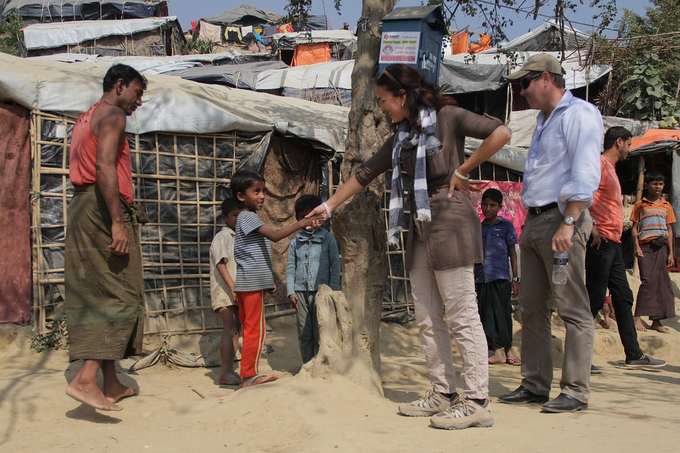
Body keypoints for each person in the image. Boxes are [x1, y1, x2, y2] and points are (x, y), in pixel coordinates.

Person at [307, 64, 512, 430]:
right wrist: (328, 206)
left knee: (462, 314)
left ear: (403, 96)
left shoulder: (448, 116)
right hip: (418, 225)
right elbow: (363, 173)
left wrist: (464, 169)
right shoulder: (401, 138)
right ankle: (442, 392)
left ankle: (478, 399)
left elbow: (501, 132)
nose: (384, 107)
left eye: (386, 100)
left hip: (450, 218)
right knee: (427, 316)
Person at [498, 54, 601, 413]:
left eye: (524, 84)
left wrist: (569, 222)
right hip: (534, 221)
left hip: (562, 220)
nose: (521, 92)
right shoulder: (542, 121)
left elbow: (585, 172)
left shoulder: (579, 114)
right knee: (531, 309)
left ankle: (575, 390)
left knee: (572, 309)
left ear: (545, 78)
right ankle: (535, 383)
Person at [64, 64, 146, 411]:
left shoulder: (87, 117)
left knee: (102, 288)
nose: (138, 102)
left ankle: (111, 384)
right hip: (102, 208)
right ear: (119, 85)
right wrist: (116, 221)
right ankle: (86, 378)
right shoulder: (113, 114)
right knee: (123, 293)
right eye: (137, 93)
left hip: (83, 207)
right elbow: (105, 166)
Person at [231, 170, 321, 388]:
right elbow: (275, 235)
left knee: (251, 327)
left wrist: (268, 281)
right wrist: (301, 223)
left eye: (263, 191)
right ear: (241, 196)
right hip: (250, 283)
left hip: (251, 282)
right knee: (256, 328)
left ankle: (248, 372)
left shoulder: (247, 217)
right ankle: (249, 375)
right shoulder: (247, 217)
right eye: (256, 192)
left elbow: (255, 253)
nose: (262, 196)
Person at [586, 127, 666, 372]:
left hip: (614, 242)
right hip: (601, 241)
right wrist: (592, 227)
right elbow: (583, 195)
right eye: (628, 145)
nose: (629, 150)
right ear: (618, 142)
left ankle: (634, 354)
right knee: (594, 299)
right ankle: (580, 358)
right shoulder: (598, 165)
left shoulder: (611, 169)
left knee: (623, 296)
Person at [286, 195, 341, 364]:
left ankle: (321, 365)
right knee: (304, 330)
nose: (309, 220)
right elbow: (290, 267)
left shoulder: (328, 239)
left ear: (321, 217)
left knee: (321, 329)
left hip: (322, 293)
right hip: (300, 293)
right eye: (304, 217)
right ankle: (307, 365)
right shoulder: (295, 242)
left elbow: (335, 265)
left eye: (313, 215)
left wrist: (332, 290)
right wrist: (290, 291)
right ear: (298, 219)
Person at [475, 189, 520, 366]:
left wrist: (516, 277)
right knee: (486, 315)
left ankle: (508, 349)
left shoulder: (506, 226)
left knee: (503, 314)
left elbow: (512, 252)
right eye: (485, 205)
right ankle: (495, 350)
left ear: (500, 207)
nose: (487, 208)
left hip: (501, 277)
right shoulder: (479, 227)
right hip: (482, 278)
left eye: (492, 205)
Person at [632, 172, 677, 333]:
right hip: (646, 247)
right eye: (654, 183)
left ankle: (656, 322)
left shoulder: (666, 205)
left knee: (661, 283)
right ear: (647, 185)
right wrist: (636, 247)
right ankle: (637, 317)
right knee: (647, 281)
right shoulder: (640, 205)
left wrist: (671, 253)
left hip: (662, 247)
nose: (658, 187)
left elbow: (670, 230)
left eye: (660, 184)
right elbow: (634, 228)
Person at [209, 198, 243, 386]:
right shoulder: (222, 237)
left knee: (235, 329)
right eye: (234, 215)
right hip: (225, 292)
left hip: (234, 292)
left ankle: (230, 369)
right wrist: (233, 287)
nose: (238, 219)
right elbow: (221, 264)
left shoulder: (237, 238)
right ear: (225, 217)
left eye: (241, 215)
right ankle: (225, 372)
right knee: (229, 329)